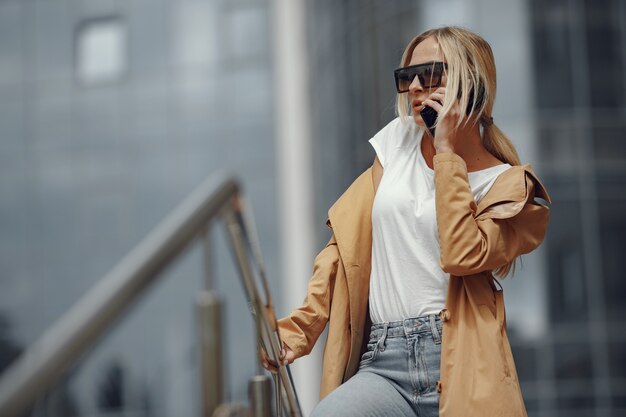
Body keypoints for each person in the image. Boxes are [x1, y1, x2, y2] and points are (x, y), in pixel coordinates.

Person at [261, 26, 551, 417]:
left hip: (459, 364)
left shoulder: (511, 189)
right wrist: (301, 328)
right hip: (384, 362)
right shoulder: (397, 144)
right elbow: (345, 250)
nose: (415, 87)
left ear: (470, 82)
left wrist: (447, 151)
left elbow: (461, 255)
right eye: (406, 78)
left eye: (429, 74)